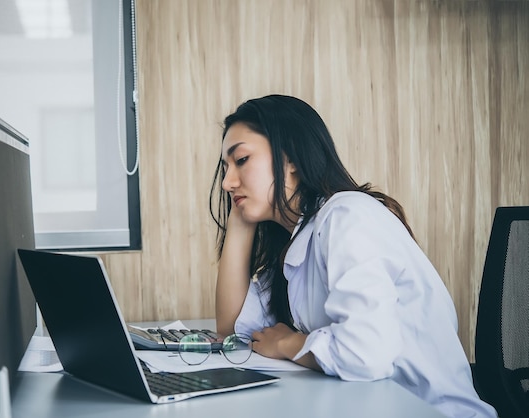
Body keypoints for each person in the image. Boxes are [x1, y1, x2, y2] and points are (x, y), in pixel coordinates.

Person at [210, 94, 497, 418]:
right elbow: (232, 328)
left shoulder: (347, 216)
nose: (226, 182)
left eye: (242, 160)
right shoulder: (298, 242)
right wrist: (240, 220)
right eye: (225, 168)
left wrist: (288, 344)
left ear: (290, 159)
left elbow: (366, 353)